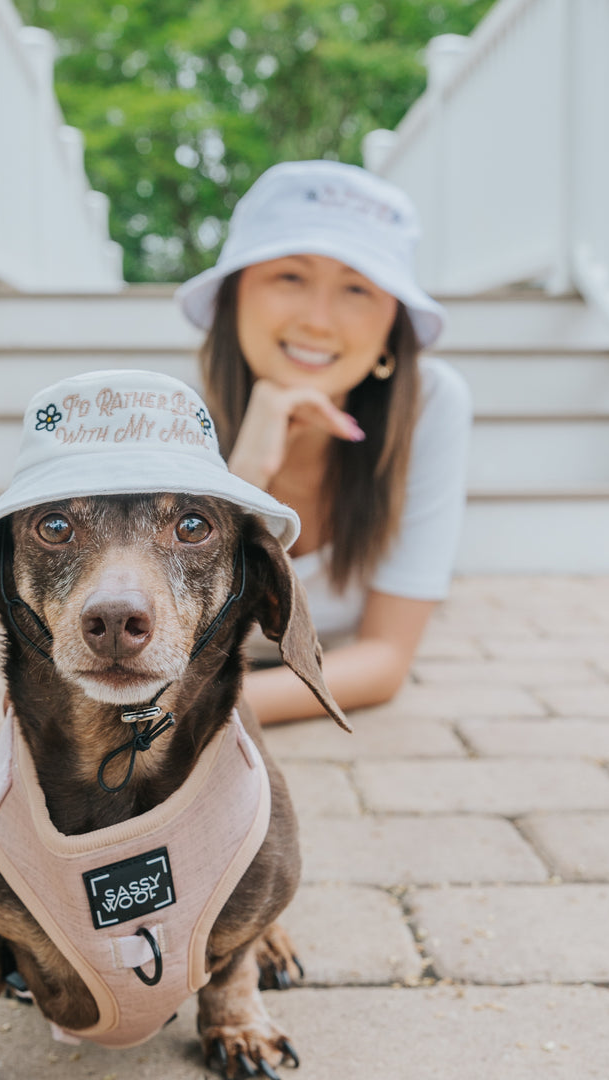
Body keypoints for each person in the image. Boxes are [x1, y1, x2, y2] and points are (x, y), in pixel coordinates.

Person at [175, 160, 471, 724]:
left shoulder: (432, 405)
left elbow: (384, 659)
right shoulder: (173, 416)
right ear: (234, 296)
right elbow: (172, 640)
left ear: (393, 325)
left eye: (357, 288)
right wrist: (240, 485)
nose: (318, 320)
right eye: (290, 276)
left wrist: (179, 715)